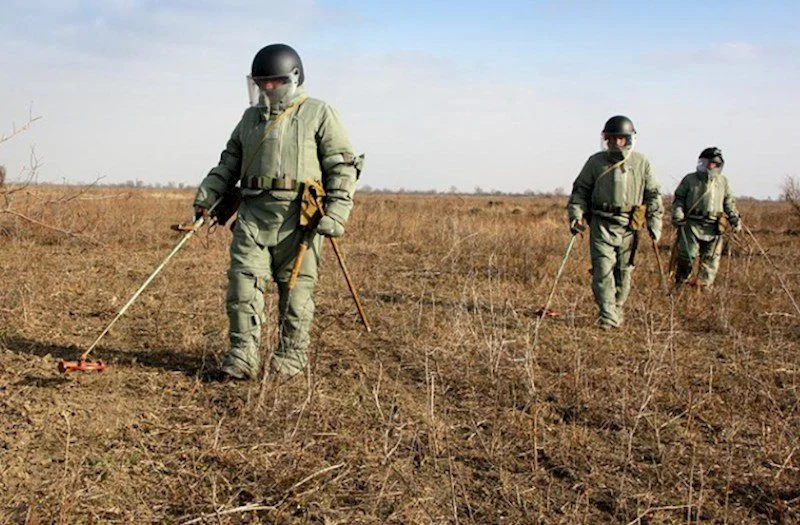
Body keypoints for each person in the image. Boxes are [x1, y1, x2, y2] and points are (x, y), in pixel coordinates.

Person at [193, 43, 361, 379]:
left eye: (274, 82)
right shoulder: (249, 119)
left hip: (300, 220)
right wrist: (207, 196)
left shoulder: (319, 113)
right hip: (253, 216)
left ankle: (290, 360)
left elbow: (342, 166)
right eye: (261, 83)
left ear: (293, 78)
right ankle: (241, 357)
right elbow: (229, 163)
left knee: (296, 293)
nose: (267, 89)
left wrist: (337, 212)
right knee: (243, 287)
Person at [567, 115, 663, 329]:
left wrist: (655, 224)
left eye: (621, 139)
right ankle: (608, 315)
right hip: (601, 223)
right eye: (611, 139)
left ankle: (617, 307)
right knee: (602, 270)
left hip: (630, 226)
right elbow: (580, 190)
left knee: (623, 271)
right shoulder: (595, 162)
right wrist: (576, 215)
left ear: (629, 139)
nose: (616, 143)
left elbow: (654, 195)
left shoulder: (641, 163)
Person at [671, 147, 740, 288]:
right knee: (687, 256)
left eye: (714, 163)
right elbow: (678, 199)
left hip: (714, 227)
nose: (710, 166)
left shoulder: (723, 182)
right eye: (707, 162)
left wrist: (734, 218)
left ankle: (703, 289)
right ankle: (680, 285)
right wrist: (678, 214)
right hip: (692, 225)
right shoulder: (690, 179)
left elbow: (728, 202)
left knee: (710, 261)